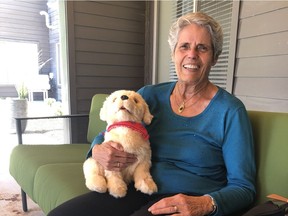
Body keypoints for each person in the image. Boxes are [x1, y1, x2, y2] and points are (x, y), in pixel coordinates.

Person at [48, 12, 256, 216]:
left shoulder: (230, 111)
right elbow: (113, 131)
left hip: (187, 200)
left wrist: (204, 204)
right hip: (137, 187)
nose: (192, 54)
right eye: (184, 46)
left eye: (202, 48)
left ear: (215, 58)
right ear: (174, 53)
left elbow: (244, 187)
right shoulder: (148, 96)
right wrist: (97, 150)